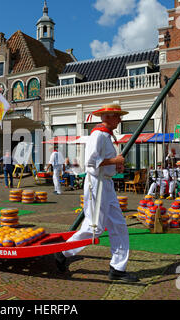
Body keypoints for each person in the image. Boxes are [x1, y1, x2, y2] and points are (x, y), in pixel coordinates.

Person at [55, 104, 138, 282]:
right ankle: (63, 252)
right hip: (97, 184)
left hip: (105, 184)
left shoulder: (106, 136)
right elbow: (90, 162)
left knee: (119, 225)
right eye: (117, 116)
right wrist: (114, 160)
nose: (120, 119)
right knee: (95, 227)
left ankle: (118, 268)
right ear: (107, 117)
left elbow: (101, 161)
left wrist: (114, 165)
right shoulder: (98, 135)